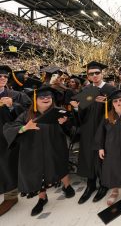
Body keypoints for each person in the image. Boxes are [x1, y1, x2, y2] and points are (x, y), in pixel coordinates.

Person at [4, 86, 75, 216]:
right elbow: (9, 128)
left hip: (55, 147)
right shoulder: (26, 115)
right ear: (35, 99)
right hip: (34, 150)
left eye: (48, 97)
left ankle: (67, 186)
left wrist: (65, 123)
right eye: (42, 97)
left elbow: (71, 130)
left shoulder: (58, 112)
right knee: (38, 172)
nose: (46, 99)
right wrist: (25, 127)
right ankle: (42, 198)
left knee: (60, 164)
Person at [70, 61, 116, 204]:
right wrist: (77, 108)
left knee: (103, 156)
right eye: (91, 74)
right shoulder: (85, 90)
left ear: (102, 74)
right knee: (89, 155)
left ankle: (104, 184)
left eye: (97, 73)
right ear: (88, 76)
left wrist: (107, 103)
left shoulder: (110, 89)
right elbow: (81, 114)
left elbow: (120, 109)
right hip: (88, 129)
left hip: (105, 128)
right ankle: (90, 185)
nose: (95, 75)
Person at [0, 65, 31, 216]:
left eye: (5, 76)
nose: (2, 78)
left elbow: (28, 112)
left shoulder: (16, 95)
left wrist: (12, 106)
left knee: (7, 164)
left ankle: (11, 197)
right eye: (0, 76)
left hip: (7, 137)